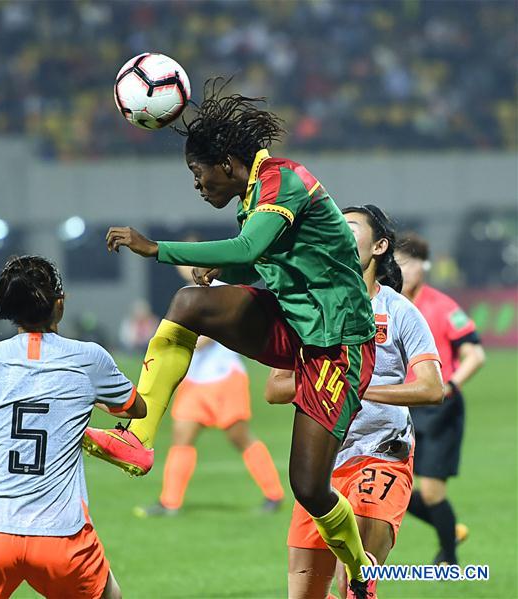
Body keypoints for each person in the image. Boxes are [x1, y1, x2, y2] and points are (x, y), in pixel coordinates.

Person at [83, 78, 378, 597]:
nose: (198, 185)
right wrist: (222, 272)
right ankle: (139, 438)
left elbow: (249, 248)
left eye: (198, 174)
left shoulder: (284, 181)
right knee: (189, 305)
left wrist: (159, 250)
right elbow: (284, 261)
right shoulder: (255, 191)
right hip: (294, 324)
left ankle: (361, 573)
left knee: (309, 488)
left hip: (338, 342)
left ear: (225, 162)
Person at [0, 255, 146, 599]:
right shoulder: (88, 358)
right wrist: (87, 399)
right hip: (60, 536)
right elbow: (136, 409)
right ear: (58, 304)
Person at [266, 206, 444, 599]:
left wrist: (355, 387)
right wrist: (328, 383)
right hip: (322, 468)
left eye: (349, 227)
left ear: (379, 246)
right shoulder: (311, 310)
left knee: (356, 584)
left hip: (382, 455)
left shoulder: (398, 311)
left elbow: (432, 388)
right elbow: (275, 388)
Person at [135, 264, 284, 518]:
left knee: (240, 437)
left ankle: (274, 494)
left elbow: (213, 332)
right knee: (181, 438)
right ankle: (170, 502)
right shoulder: (187, 291)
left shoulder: (221, 290)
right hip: (196, 381)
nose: (186, 265)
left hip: (224, 377)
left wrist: (183, 341)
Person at [395, 232, 485, 565]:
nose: (401, 270)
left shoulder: (443, 306)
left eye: (408, 263)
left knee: (432, 491)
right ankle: (450, 530)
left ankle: (448, 557)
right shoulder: (387, 303)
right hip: (399, 407)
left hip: (438, 409)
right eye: (397, 263)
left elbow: (474, 353)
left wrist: (450, 385)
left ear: (424, 267)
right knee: (389, 486)